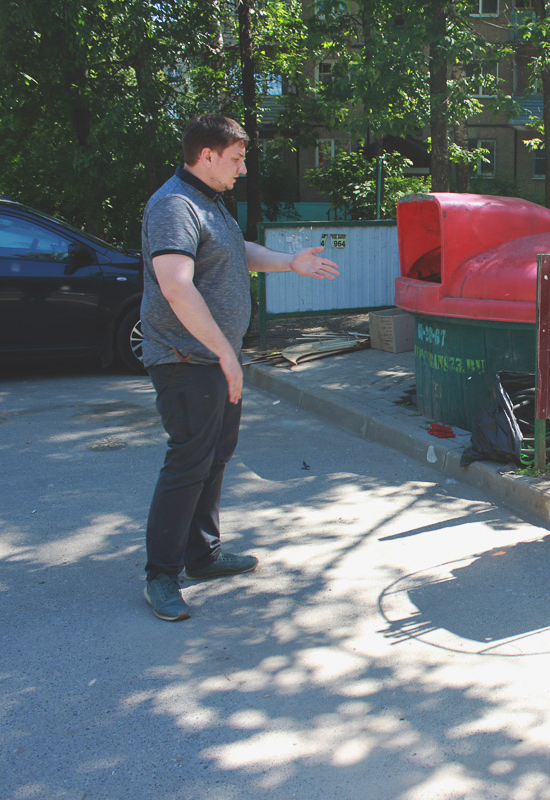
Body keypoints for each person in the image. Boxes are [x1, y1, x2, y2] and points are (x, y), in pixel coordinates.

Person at [140, 114, 340, 621]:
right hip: (187, 359)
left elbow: (234, 254)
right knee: (188, 461)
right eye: (236, 159)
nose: (243, 169)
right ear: (206, 155)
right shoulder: (174, 205)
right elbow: (175, 284)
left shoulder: (210, 205)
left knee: (216, 454)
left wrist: (288, 261)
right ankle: (161, 575)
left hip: (213, 358)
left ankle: (202, 555)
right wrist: (226, 353)